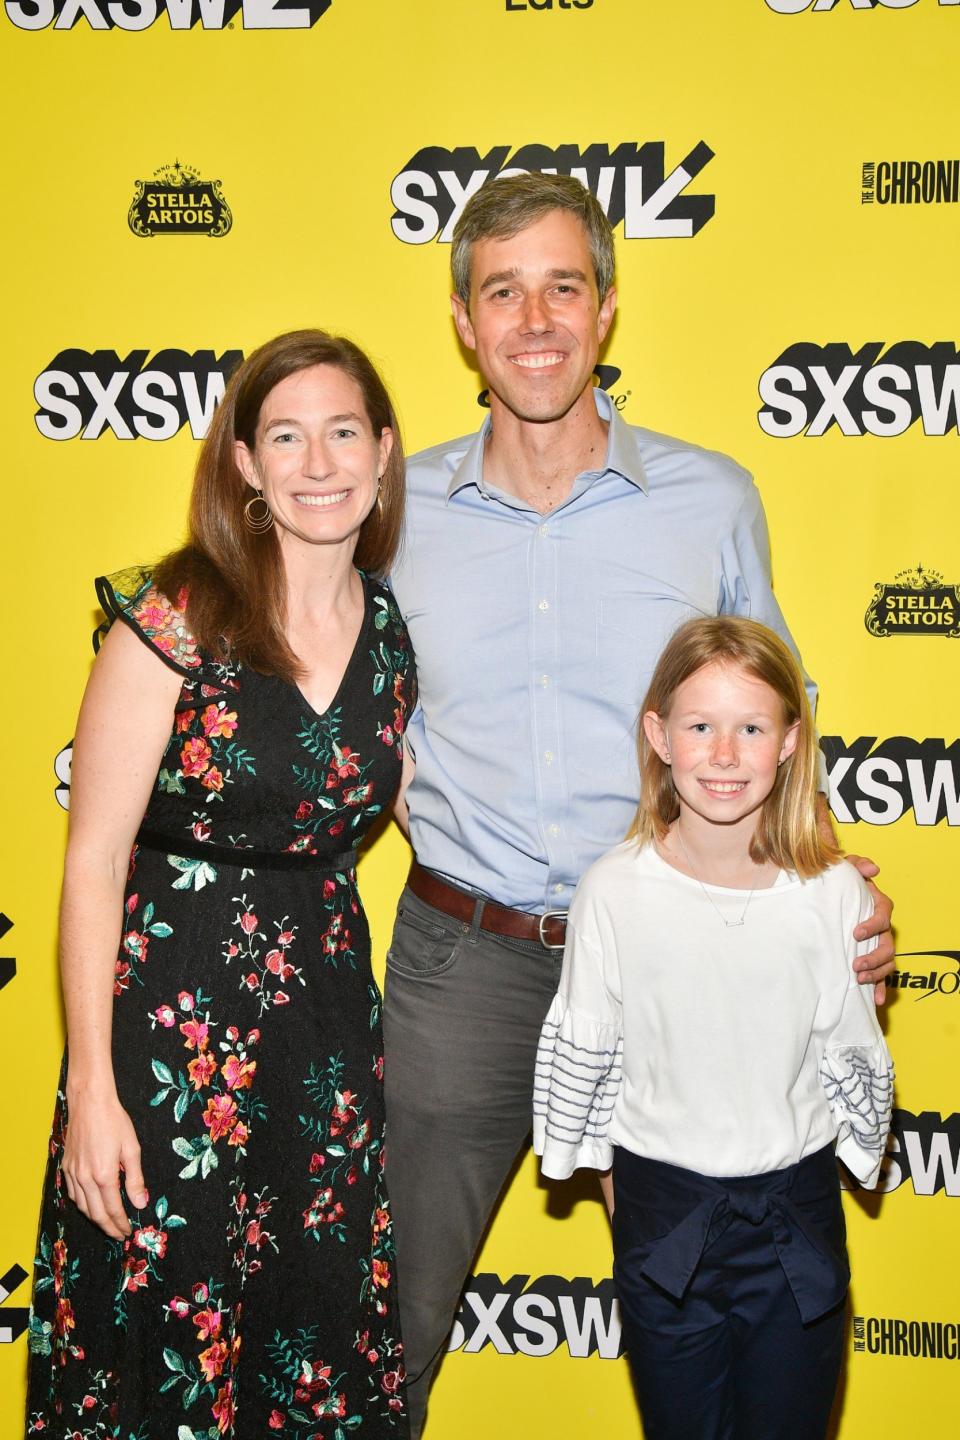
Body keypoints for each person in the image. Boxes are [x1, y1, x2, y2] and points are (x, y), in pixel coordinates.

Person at [383, 172, 895, 1437]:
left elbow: (776, 720)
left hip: (682, 964)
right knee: (385, 1325)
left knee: (721, 1335)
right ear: (463, 320)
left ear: (608, 307)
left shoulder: (709, 499)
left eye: (564, 284)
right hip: (465, 962)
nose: (536, 317)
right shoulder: (394, 518)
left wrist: (832, 902)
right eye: (503, 290)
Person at [27, 330, 415, 1439]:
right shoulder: (173, 617)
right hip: (168, 1037)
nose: (319, 461)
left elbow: (414, 803)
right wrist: (93, 1092)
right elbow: (95, 859)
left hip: (324, 1039)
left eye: (344, 431)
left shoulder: (389, 633)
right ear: (244, 463)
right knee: (165, 1332)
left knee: (309, 1329)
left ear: (383, 453)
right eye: (285, 436)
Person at [533, 616, 894, 1439]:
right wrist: (632, 1213)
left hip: (795, 1223)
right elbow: (590, 1062)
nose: (724, 756)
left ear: (791, 741)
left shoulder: (832, 894)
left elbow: (849, 1060)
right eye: (700, 726)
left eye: (751, 728)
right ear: (659, 736)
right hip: (665, 1222)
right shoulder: (613, 891)